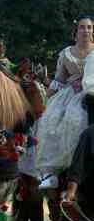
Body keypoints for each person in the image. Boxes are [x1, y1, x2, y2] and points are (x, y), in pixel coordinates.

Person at [37, 16, 94, 188]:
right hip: (71, 94)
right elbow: (59, 80)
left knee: (78, 119)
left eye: (89, 27)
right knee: (50, 118)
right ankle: (52, 172)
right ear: (75, 32)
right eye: (82, 27)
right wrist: (45, 100)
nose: (86, 31)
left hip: (91, 93)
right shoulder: (66, 53)